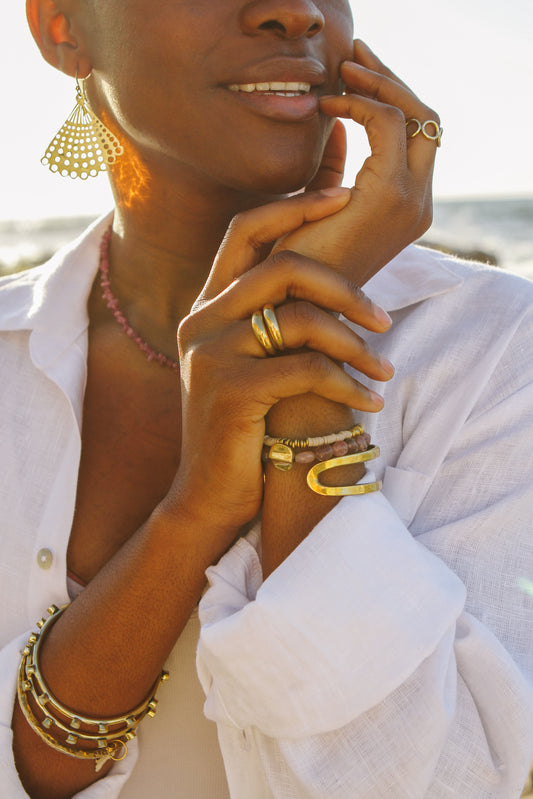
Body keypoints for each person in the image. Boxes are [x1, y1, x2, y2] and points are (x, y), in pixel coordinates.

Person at [1, 0, 532, 796]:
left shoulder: (492, 347)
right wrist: (192, 514)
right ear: (61, 27)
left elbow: (439, 783)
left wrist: (304, 379)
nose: (295, 10)